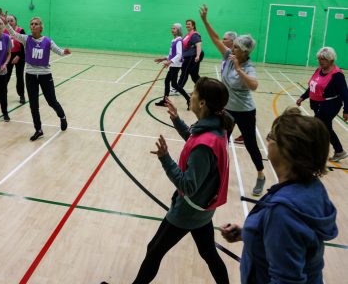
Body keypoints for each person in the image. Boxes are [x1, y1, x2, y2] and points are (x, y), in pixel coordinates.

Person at [132, 77, 233, 284]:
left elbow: (188, 185)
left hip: (188, 211)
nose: (191, 95)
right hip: (203, 209)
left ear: (203, 102)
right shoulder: (216, 128)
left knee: (154, 250)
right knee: (208, 253)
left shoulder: (206, 143)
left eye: (194, 92)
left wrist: (165, 158)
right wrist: (177, 120)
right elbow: (195, 140)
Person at [220, 108, 338, 284]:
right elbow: (294, 241)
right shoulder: (313, 188)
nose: (267, 140)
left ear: (287, 150)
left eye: (271, 136)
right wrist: (249, 234)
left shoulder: (284, 212)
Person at [199, 4, 266, 195]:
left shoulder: (248, 67)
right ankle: (215, 174)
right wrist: (205, 20)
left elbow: (254, 85)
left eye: (236, 46)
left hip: (245, 111)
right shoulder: (228, 55)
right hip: (226, 109)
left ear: (245, 51)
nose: (231, 47)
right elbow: (214, 38)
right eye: (233, 45)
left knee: (251, 144)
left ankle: (260, 175)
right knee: (221, 141)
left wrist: (238, 70)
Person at [0, 9, 71, 141]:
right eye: (31, 24)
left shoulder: (48, 41)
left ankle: (62, 117)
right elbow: (14, 34)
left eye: (36, 24)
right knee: (33, 104)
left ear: (41, 27)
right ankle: (38, 129)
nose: (33, 26)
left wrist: (64, 52)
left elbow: (59, 51)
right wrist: (6, 24)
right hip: (30, 75)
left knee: (51, 101)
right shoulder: (26, 39)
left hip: (45, 75)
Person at [296, 46, 348, 162]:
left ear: (330, 60)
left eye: (322, 59)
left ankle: (310, 153)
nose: (320, 61)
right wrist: (303, 97)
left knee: (315, 127)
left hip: (330, 105)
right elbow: (312, 86)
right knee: (327, 129)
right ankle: (339, 151)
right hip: (318, 104)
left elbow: (345, 93)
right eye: (319, 59)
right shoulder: (319, 70)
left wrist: (346, 110)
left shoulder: (337, 75)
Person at [0, 14, 26, 105]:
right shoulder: (3, 31)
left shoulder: (20, 30)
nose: (9, 22)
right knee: (6, 76)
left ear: (15, 21)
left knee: (19, 76)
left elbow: (24, 45)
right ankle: (1, 95)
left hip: (19, 56)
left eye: (11, 20)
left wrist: (19, 56)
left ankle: (21, 95)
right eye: (8, 21)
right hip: (8, 56)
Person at [154, 23, 184, 107]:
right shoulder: (174, 40)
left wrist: (170, 62)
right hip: (173, 64)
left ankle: (188, 100)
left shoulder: (179, 40)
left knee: (171, 83)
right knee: (171, 83)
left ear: (178, 30)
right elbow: (172, 54)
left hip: (176, 65)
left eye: (174, 28)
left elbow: (179, 55)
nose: (172, 30)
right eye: (172, 28)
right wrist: (163, 59)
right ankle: (165, 101)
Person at [177, 18, 204, 110]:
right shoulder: (187, 35)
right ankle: (204, 88)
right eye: (186, 24)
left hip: (192, 57)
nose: (187, 25)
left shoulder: (194, 34)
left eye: (189, 24)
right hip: (188, 56)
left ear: (193, 25)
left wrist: (197, 55)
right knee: (194, 75)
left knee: (185, 72)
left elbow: (199, 45)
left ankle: (179, 87)